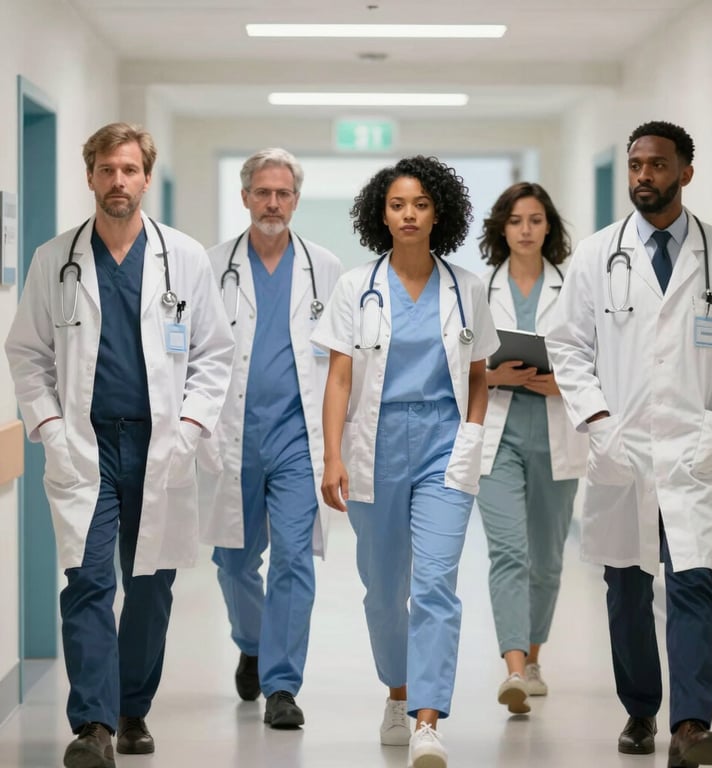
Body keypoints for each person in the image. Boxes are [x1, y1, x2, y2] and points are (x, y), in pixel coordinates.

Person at [4, 122, 234, 768]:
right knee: (87, 580)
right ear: (90, 176)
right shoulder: (55, 259)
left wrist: (189, 427)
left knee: (151, 585)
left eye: (129, 170)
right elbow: (26, 353)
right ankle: (94, 725)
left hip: (161, 445)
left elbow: (214, 353)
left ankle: (133, 707)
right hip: (86, 445)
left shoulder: (183, 257)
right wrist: (50, 427)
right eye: (107, 170)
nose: (118, 181)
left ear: (145, 177)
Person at [546, 120, 712, 768]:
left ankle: (691, 726)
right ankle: (641, 708)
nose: (644, 176)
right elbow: (568, 347)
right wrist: (599, 420)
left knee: (694, 583)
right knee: (627, 590)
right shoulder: (597, 255)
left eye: (658, 165)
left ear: (685, 173)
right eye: (636, 164)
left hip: (694, 453)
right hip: (622, 451)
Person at [311, 156, 498, 768]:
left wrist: (471, 434)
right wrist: (332, 455)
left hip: (445, 444)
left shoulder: (467, 288)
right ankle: (397, 691)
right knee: (384, 590)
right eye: (397, 205)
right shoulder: (354, 288)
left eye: (420, 204)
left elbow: (478, 376)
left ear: (439, 213)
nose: (409, 214)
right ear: (382, 215)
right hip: (377, 443)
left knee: (435, 584)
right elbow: (340, 379)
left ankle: (427, 719)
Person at [199, 148, 342, 728]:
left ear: (296, 200)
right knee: (233, 562)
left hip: (296, 439)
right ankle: (252, 642)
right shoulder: (212, 266)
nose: (273, 203)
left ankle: (282, 685)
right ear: (245, 198)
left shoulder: (325, 267)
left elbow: (341, 359)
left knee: (292, 558)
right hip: (231, 435)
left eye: (283, 193)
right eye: (263, 192)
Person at [476, 182, 587, 714]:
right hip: (497, 438)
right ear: (502, 227)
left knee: (545, 559)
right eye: (516, 220)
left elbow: (600, 358)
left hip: (555, 434)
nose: (525, 230)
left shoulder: (574, 288)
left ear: (549, 227)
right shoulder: (479, 289)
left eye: (536, 220)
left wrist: (564, 383)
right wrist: (492, 375)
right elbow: (453, 362)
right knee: (508, 552)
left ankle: (535, 657)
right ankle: (515, 669)